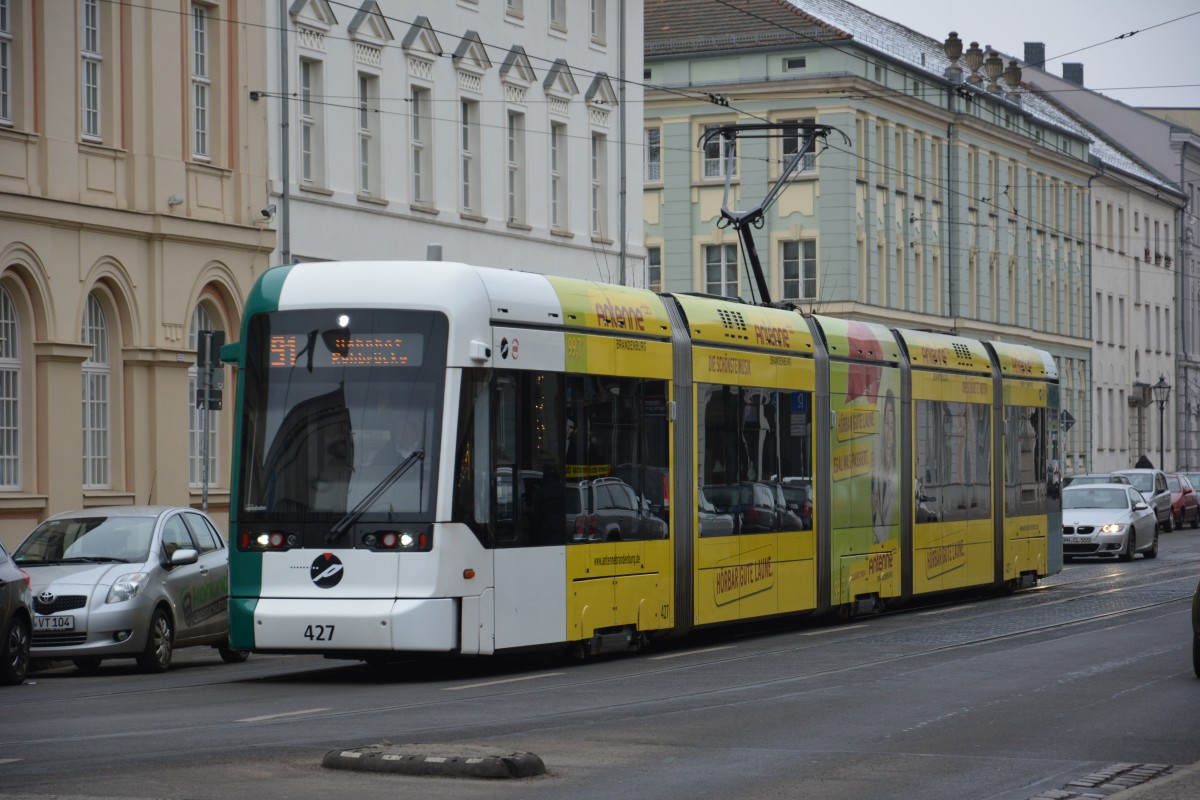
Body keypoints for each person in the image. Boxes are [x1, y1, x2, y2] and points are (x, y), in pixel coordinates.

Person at [871, 388, 897, 544]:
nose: (889, 434)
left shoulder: (896, 476)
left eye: (892, 426)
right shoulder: (874, 470)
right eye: (886, 425)